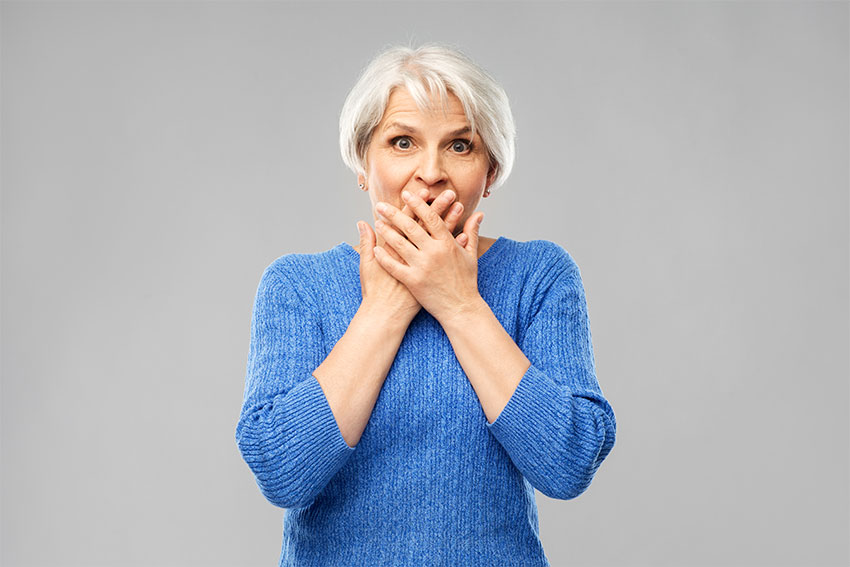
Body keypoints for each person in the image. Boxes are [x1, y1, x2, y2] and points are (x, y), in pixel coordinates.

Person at [235, 42, 616, 567]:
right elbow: (280, 471)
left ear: (492, 170)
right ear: (363, 163)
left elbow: (568, 464)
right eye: (402, 142)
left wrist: (459, 303)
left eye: (460, 146)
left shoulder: (539, 277)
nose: (431, 171)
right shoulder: (299, 286)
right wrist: (384, 311)